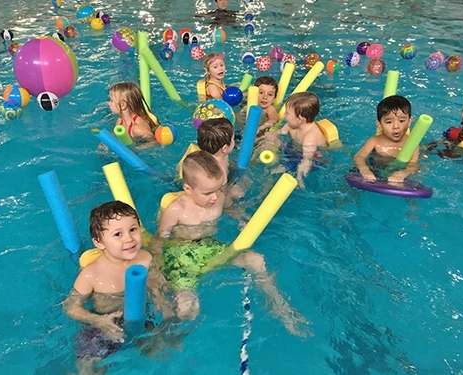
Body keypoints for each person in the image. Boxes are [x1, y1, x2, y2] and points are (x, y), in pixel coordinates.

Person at [153, 150, 309, 337]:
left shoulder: (218, 198)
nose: (214, 197)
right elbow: (159, 241)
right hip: (182, 257)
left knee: (256, 260)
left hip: (210, 247)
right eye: (207, 193)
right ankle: (166, 337)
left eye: (218, 189)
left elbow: (230, 209)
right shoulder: (177, 210)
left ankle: (278, 306)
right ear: (188, 189)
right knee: (187, 310)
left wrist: (241, 219)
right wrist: (157, 270)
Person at [63, 201, 168, 373]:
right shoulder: (91, 274)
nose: (129, 238)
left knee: (162, 351)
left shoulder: (145, 259)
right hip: (104, 326)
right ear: (99, 242)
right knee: (90, 368)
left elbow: (157, 283)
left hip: (143, 320)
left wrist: (161, 300)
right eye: (118, 234)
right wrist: (98, 320)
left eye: (133, 229)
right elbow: (70, 307)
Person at [354, 95, 418, 183]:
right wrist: (364, 170)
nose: (396, 126)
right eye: (389, 122)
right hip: (374, 169)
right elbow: (359, 157)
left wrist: (403, 173)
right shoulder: (374, 141)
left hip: (399, 173)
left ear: (409, 121)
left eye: (402, 121)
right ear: (379, 125)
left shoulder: (412, 144)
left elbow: (414, 166)